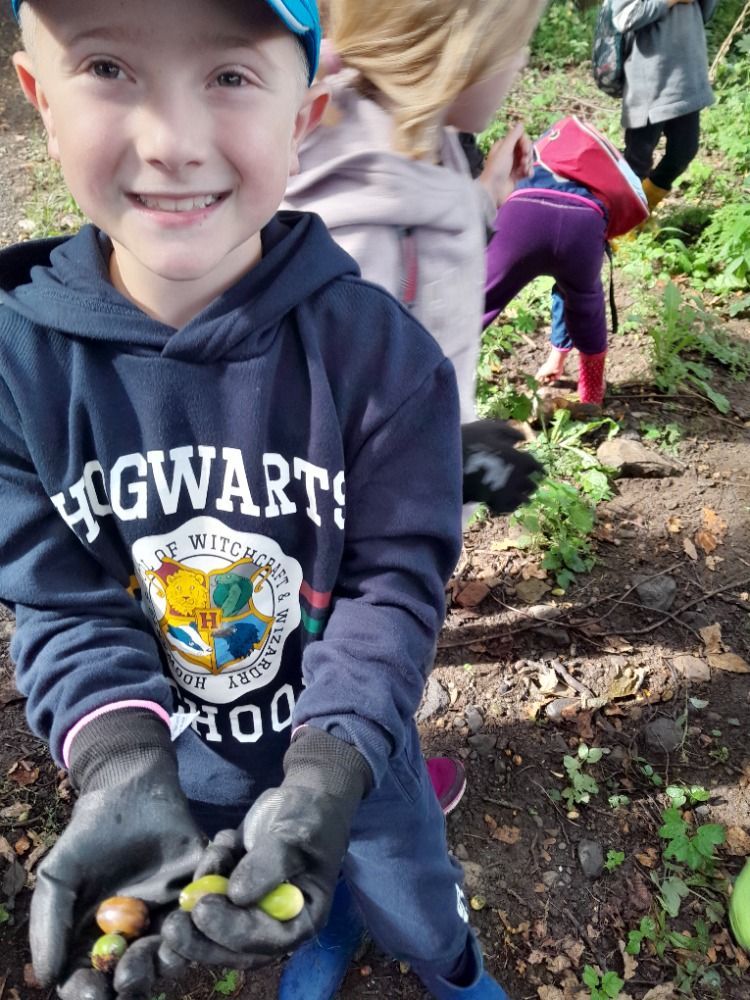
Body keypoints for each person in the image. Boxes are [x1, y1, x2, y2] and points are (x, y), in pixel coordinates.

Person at [1, 4, 516, 1000]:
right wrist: (117, 760)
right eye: (107, 67)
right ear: (41, 101)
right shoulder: (20, 368)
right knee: (260, 893)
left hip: (354, 752)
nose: (172, 140)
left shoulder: (382, 360)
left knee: (412, 892)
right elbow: (61, 599)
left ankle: (450, 967)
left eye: (231, 77)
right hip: (176, 767)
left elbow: (391, 580)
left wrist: (327, 773)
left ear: (304, 115)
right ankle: (329, 921)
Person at [283, 0, 545, 523]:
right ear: (456, 51)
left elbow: (420, 216)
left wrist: (483, 196)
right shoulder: (363, 226)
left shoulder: (411, 134)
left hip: (413, 485)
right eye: (515, 44)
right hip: (372, 525)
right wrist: (453, 457)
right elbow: (324, 409)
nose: (521, 61)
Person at [483, 157, 610, 406]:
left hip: (523, 214)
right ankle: (592, 395)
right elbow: (568, 289)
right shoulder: (602, 168)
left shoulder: (539, 153)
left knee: (476, 303)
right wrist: (558, 356)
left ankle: (429, 374)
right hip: (583, 222)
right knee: (584, 302)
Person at [613, 0, 717, 213]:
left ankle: (640, 210)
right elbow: (624, 18)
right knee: (637, 160)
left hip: (686, 77)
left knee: (683, 152)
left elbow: (705, 14)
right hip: (650, 80)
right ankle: (621, 221)